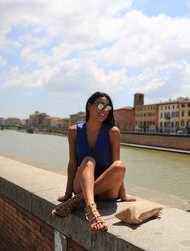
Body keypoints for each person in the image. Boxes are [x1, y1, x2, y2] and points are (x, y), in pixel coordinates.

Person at [52, 91, 136, 231]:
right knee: (88, 161)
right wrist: (67, 193)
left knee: (120, 165)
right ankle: (91, 208)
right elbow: (73, 163)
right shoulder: (73, 131)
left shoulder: (113, 132)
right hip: (81, 184)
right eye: (101, 105)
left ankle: (77, 200)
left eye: (108, 108)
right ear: (90, 106)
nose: (104, 110)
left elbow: (115, 165)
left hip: (106, 189)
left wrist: (123, 195)